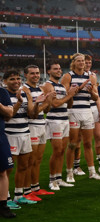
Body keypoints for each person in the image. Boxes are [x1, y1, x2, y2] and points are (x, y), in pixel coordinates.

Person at [63, 53, 100, 181]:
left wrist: (92, 92)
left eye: (83, 61)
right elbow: (65, 96)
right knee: (73, 144)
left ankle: (92, 171)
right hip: (73, 112)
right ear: (74, 62)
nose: (82, 63)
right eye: (79, 61)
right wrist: (79, 89)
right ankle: (70, 172)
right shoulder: (67, 76)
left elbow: (96, 97)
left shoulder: (91, 77)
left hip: (87, 112)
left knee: (87, 143)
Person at [3, 70, 38, 205]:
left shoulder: (23, 93)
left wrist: (34, 102)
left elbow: (30, 114)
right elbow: (8, 116)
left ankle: (19, 195)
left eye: (18, 78)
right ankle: (5, 198)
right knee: (8, 169)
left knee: (23, 166)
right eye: (12, 79)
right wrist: (18, 102)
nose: (16, 81)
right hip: (10, 135)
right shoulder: (3, 95)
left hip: (25, 133)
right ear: (5, 81)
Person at [42, 62, 78, 190]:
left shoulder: (62, 86)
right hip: (54, 121)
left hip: (64, 120)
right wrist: (69, 95)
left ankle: (58, 178)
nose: (58, 70)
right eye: (55, 69)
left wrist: (72, 95)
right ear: (49, 72)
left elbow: (69, 105)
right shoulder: (48, 85)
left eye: (59, 68)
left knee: (62, 151)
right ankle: (52, 180)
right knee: (57, 151)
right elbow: (55, 104)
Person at [23, 64, 55, 197]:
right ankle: (25, 190)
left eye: (37, 73)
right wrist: (45, 103)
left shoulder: (40, 88)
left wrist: (49, 100)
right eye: (32, 73)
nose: (36, 75)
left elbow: (46, 110)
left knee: (38, 159)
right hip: (32, 126)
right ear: (26, 75)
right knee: (30, 160)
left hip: (42, 125)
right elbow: (32, 113)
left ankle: (35, 187)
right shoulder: (25, 90)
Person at [1, 83, 17, 218]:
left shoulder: (2, 92)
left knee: (3, 171)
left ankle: (3, 206)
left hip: (0, 137)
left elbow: (9, 113)